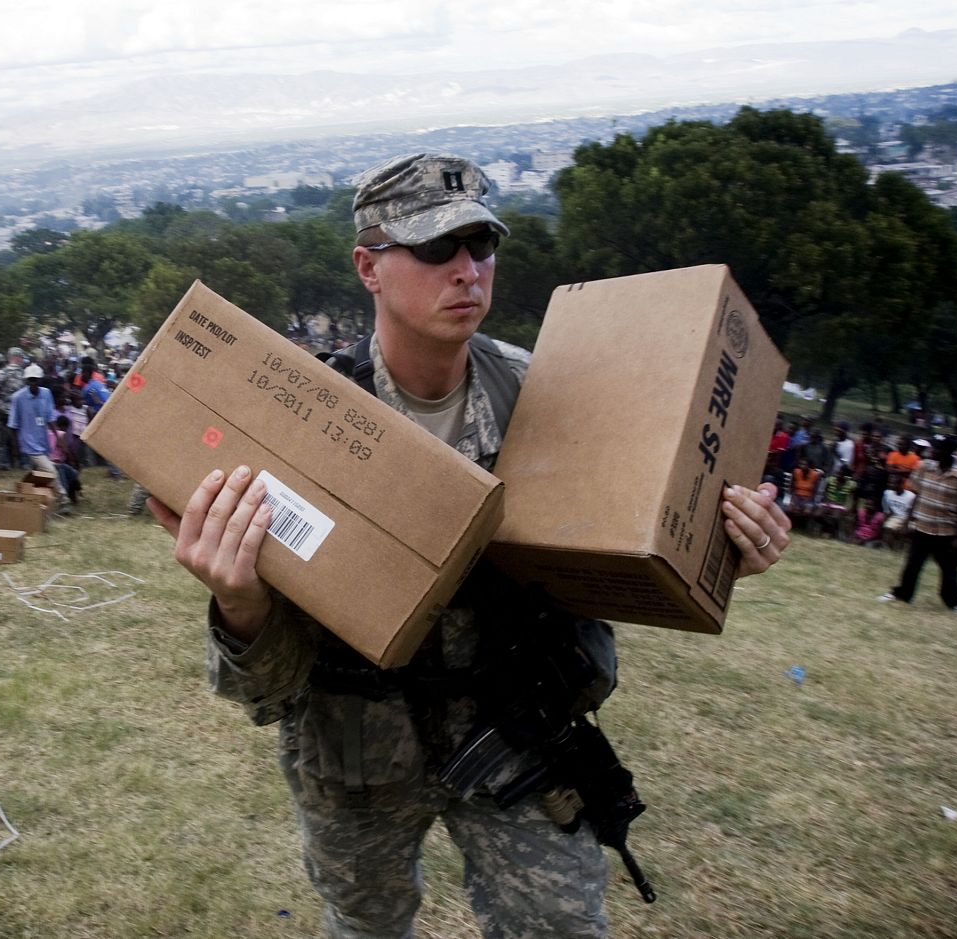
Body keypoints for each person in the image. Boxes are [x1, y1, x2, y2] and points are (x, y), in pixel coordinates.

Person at [149, 153, 791, 938]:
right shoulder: (301, 425)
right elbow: (266, 692)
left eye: (481, 245)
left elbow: (644, 540)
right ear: (368, 267)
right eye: (434, 249)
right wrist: (241, 605)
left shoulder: (553, 398)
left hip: (522, 733)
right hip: (359, 756)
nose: (466, 270)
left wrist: (727, 544)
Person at [881, 434, 957, 613]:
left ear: (949, 452)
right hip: (922, 526)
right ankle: (902, 594)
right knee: (912, 565)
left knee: (949, 570)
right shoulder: (924, 467)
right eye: (933, 448)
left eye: (937, 449)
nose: (932, 451)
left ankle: (956, 602)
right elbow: (916, 495)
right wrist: (907, 522)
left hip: (946, 531)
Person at [8, 364, 67, 504]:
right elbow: (12, 425)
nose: (33, 383)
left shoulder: (46, 394)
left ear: (40, 380)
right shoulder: (18, 398)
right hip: (28, 441)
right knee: (50, 469)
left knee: (37, 473)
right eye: (30, 380)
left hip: (42, 439)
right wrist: (15, 446)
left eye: (35, 380)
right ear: (26, 381)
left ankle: (30, 498)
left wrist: (58, 437)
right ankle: (63, 498)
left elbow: (50, 417)